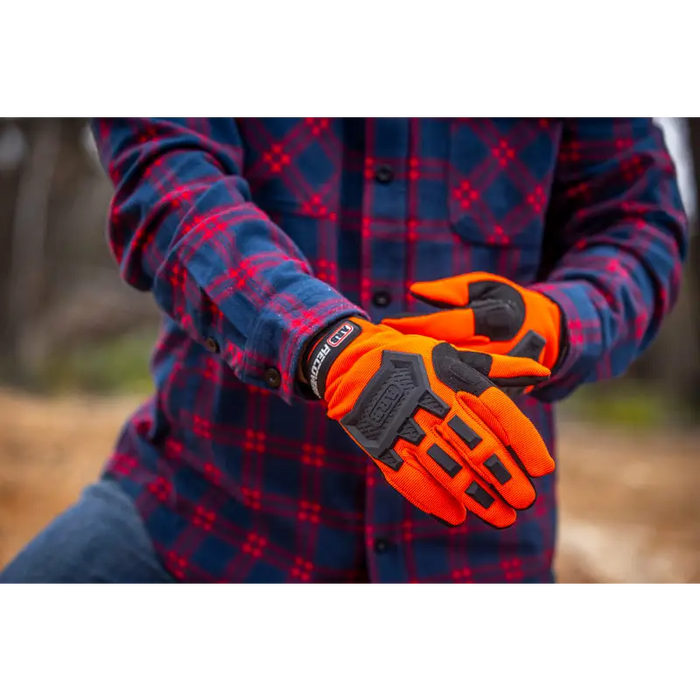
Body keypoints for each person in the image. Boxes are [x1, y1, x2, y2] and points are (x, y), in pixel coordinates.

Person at [0, 115, 688, 586]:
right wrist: (330, 347)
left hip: (473, 550)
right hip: (205, 519)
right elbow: (169, 181)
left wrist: (561, 323)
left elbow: (638, 221)